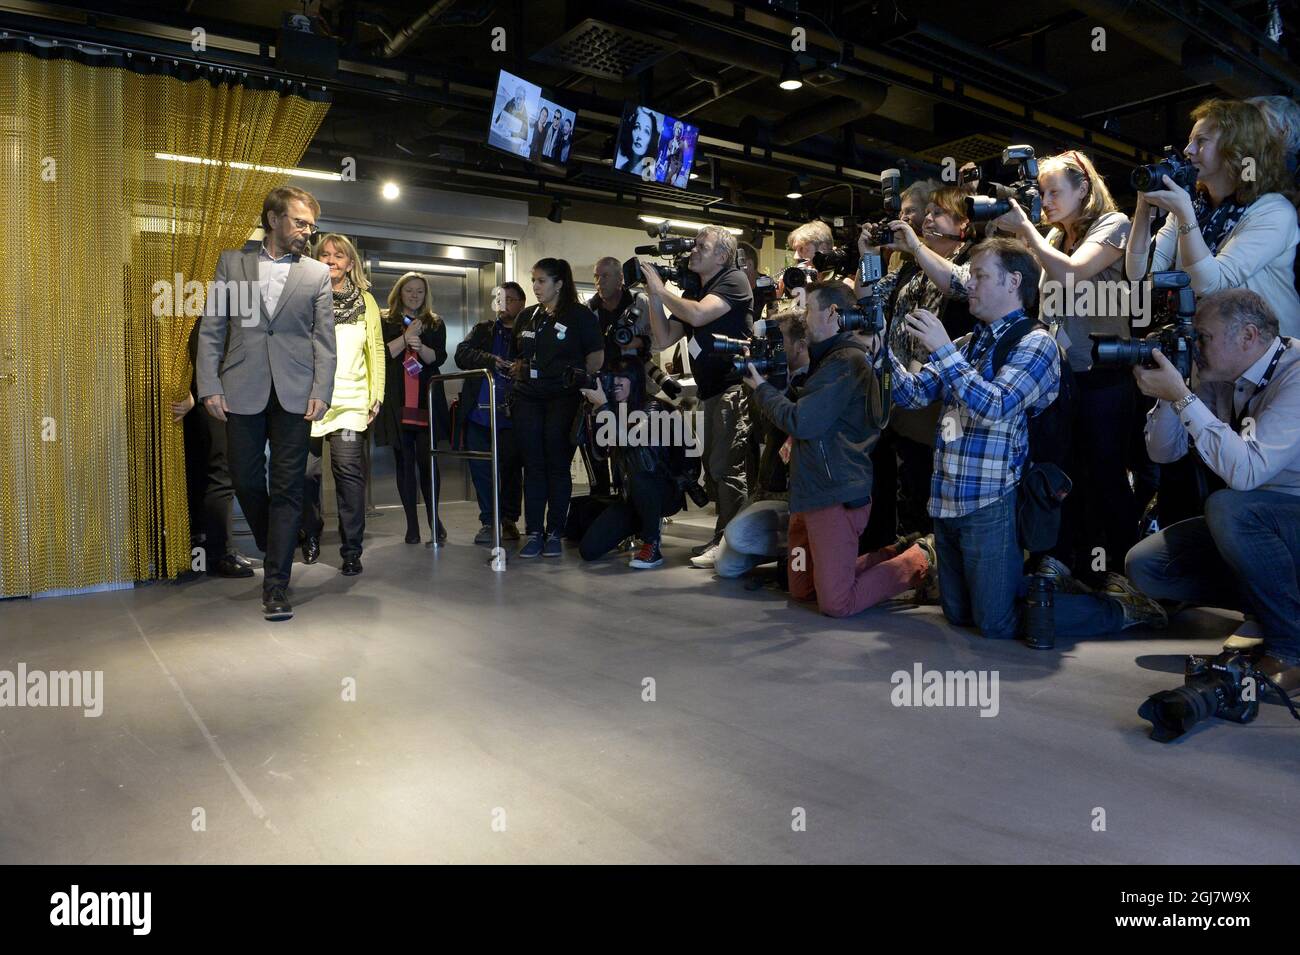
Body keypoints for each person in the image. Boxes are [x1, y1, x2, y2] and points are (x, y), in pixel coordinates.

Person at [889, 238, 1165, 640]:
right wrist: (879, 350)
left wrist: (944, 350)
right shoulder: (972, 343)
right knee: (961, 614)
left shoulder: (1036, 343)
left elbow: (997, 404)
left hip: (992, 499)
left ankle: (1118, 608)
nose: (970, 285)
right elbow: (912, 393)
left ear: (1013, 282)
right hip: (947, 497)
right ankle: (1041, 590)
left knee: (995, 622)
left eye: (980, 276)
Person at [1126, 288, 1300, 685]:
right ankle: (1271, 609)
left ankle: (1291, 647)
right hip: (1260, 522)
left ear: (1248, 336)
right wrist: (1174, 395)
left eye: (1202, 337)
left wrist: (1184, 398)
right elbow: (1163, 453)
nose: (1194, 346)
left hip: (1285, 516)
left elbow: (1247, 474)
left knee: (1228, 507)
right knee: (1148, 566)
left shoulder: (1296, 374)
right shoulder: (1219, 374)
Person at [743, 281, 935, 617]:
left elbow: (803, 422)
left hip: (834, 496)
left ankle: (919, 559)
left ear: (832, 313)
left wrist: (761, 390)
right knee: (802, 589)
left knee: (837, 603)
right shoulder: (828, 359)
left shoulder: (845, 361)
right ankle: (890, 554)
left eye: (808, 310)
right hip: (808, 492)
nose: (803, 318)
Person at [993, 150, 1135, 582]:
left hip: (1104, 372)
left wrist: (1027, 234)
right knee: (1065, 472)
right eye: (1042, 192)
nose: (1047, 200)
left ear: (1084, 189)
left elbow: (1073, 274)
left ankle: (1122, 572)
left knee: (1106, 476)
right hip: (1062, 376)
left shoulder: (1115, 225)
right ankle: (1071, 562)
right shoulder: (1054, 239)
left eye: (1055, 191)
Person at [195, 185, 335, 621]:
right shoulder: (231, 263)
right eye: (300, 222)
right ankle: (279, 536)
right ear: (273, 219)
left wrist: (321, 390)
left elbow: (323, 341)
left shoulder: (316, 274)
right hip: (242, 386)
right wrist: (208, 385)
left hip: (296, 391)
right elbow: (213, 328)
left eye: (311, 225)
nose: (307, 233)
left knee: (289, 485)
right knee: (246, 478)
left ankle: (276, 583)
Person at [1125, 97, 1300, 336]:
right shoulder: (1194, 204)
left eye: (1201, 141)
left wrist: (1186, 216)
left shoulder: (1274, 211)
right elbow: (1140, 272)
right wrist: (1143, 208)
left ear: (1236, 148)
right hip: (1213, 346)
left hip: (1266, 353)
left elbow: (1210, 284)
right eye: (1189, 141)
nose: (1188, 151)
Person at [865, 185, 977, 542]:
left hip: (945, 396)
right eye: (926, 213)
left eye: (938, 213)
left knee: (933, 481)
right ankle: (908, 557)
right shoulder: (910, 271)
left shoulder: (975, 258)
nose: (928, 219)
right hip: (903, 393)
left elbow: (960, 286)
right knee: (908, 481)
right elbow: (867, 297)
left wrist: (915, 246)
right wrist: (867, 254)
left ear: (963, 224)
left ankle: (931, 561)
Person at [642, 225, 754, 565]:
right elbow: (662, 339)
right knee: (714, 468)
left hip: (733, 389)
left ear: (722, 255)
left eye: (701, 247)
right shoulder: (699, 291)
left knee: (727, 468)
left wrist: (662, 290)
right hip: (710, 392)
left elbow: (698, 314)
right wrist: (652, 296)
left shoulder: (733, 281)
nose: (693, 251)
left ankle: (730, 544)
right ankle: (723, 539)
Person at [299, 234, 384, 576]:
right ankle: (311, 535)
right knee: (306, 475)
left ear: (351, 263)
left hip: (351, 400)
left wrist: (376, 394)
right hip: (309, 399)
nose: (332, 260)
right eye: (325, 255)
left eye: (339, 255)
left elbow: (375, 349)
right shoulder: (305, 298)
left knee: (349, 476)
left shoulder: (366, 301)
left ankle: (351, 549)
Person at [511, 258, 604, 558]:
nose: (536, 286)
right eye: (534, 280)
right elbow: (520, 354)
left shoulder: (580, 316)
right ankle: (534, 532)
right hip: (528, 397)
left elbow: (596, 358)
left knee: (557, 464)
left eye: (541, 281)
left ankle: (555, 532)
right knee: (533, 465)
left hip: (563, 397)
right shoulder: (527, 316)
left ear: (559, 283)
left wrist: (581, 384)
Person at [713, 308, 811, 579]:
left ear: (801, 345)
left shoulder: (813, 380)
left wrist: (769, 392)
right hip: (768, 488)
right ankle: (782, 550)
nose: (771, 350)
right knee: (725, 566)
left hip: (797, 495)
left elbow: (794, 425)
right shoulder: (774, 379)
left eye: (778, 344)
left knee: (738, 535)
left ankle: (794, 551)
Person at [577, 359, 687, 569]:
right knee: (588, 550)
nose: (615, 382)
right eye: (611, 377)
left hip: (662, 490)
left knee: (639, 473)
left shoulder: (653, 407)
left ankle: (652, 544)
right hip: (631, 495)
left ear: (635, 380)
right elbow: (599, 454)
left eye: (621, 377)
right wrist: (592, 412)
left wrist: (604, 406)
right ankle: (641, 523)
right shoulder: (615, 410)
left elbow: (631, 440)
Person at [373, 272, 448, 546]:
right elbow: (381, 353)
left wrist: (421, 345)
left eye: (419, 291)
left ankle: (434, 519)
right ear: (399, 293)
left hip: (426, 401)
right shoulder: (385, 320)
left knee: (428, 462)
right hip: (397, 401)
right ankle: (412, 526)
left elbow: (437, 357)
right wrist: (405, 339)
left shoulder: (434, 322)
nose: (414, 296)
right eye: (409, 291)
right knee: (403, 462)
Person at [179, 320, 253, 579]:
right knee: (218, 473)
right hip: (211, 396)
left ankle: (209, 549)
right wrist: (195, 390)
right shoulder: (204, 294)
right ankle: (219, 551)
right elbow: (203, 349)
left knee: (213, 472)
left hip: (217, 394)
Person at [455, 281, 525, 545]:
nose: (502, 304)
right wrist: (490, 360)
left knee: (509, 470)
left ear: (522, 303)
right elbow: (462, 354)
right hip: (479, 415)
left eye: (509, 299)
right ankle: (488, 521)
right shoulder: (484, 330)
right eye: (499, 299)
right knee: (481, 470)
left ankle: (508, 520)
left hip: (512, 415)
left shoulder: (528, 331)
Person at [614, 105, 660, 179]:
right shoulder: (623, 167)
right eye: (637, 127)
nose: (639, 136)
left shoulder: (651, 173)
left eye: (646, 131)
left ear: (652, 139)